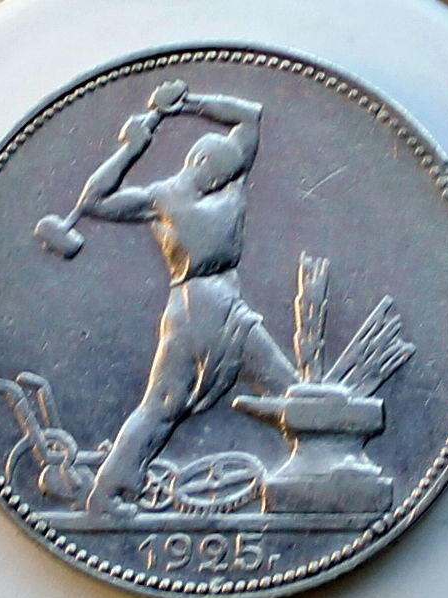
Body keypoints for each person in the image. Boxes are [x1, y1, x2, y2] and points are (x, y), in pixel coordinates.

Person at [60, 80, 298, 514]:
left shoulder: (231, 183)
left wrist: (187, 103)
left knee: (288, 387)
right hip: (192, 309)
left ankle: (310, 475)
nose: (226, 181)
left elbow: (250, 113)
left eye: (230, 175)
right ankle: (107, 492)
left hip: (230, 306)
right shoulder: (160, 199)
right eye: (219, 174)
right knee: (163, 405)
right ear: (200, 162)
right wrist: (130, 150)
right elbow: (93, 201)